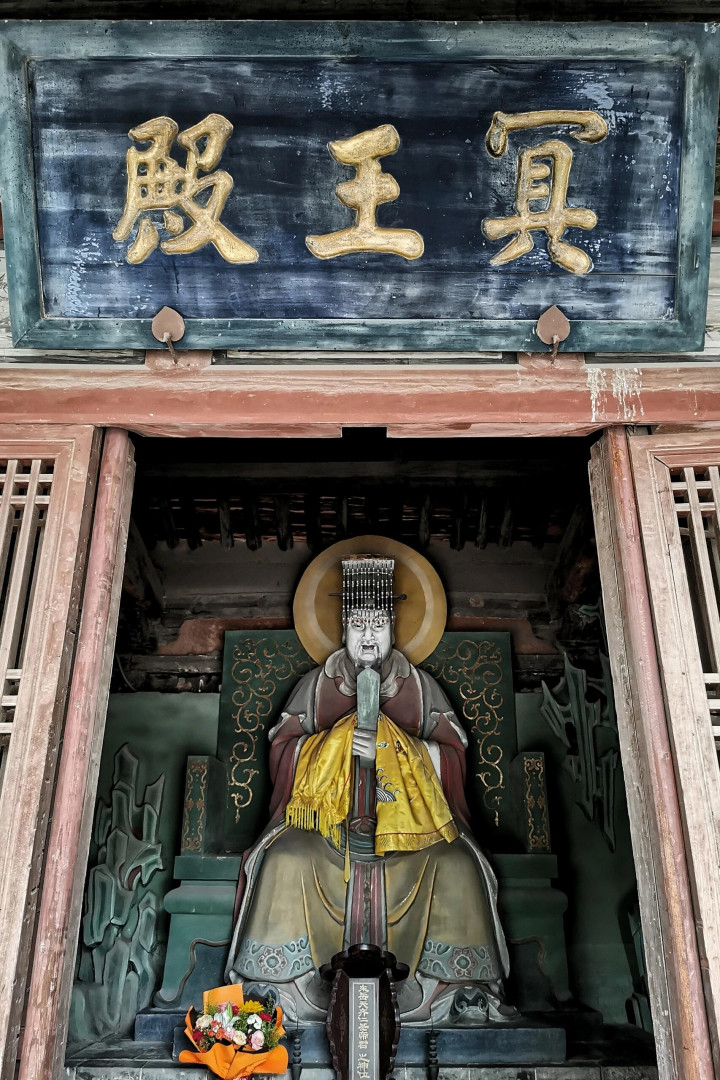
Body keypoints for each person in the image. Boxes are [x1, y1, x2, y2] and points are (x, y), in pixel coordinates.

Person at [225, 555, 515, 1026]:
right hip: (326, 832)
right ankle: (279, 986)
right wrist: (336, 742)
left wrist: (394, 746)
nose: (367, 636)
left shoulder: (418, 687)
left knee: (458, 865)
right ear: (342, 629)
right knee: (283, 860)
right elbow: (282, 751)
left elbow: (454, 756)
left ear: (394, 628)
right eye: (358, 624)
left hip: (411, 835)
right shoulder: (317, 686)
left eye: (378, 624)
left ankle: (456, 990)